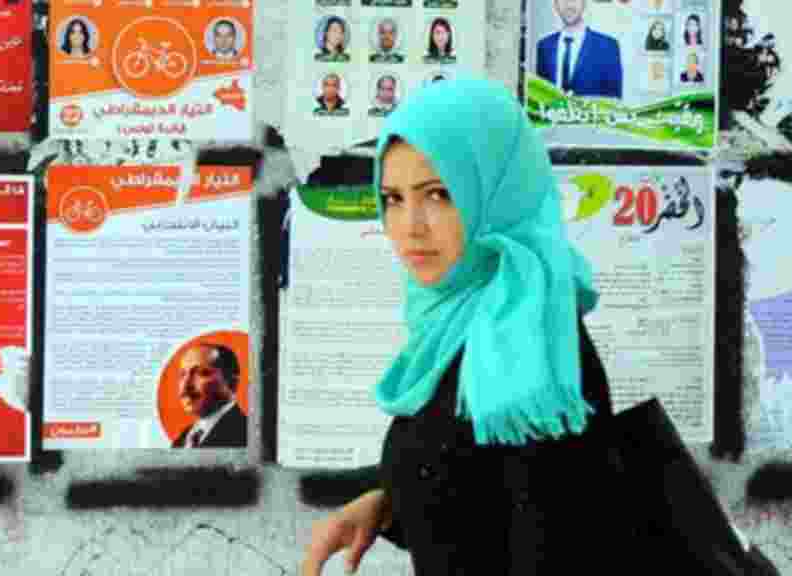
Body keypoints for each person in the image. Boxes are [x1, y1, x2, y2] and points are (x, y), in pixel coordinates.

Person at [301, 74, 618, 575]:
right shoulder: (462, 322)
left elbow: (555, 549)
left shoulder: (530, 349)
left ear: (497, 192)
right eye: (393, 198)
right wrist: (387, 505)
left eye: (439, 195)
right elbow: (473, 493)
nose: (410, 226)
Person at [536, 0, 623, 98]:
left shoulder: (608, 47)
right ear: (555, 4)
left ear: (584, 3)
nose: (569, 5)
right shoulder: (544, 46)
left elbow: (614, 103)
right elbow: (540, 97)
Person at [171, 343, 247, 448]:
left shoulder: (246, 434)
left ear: (232, 383)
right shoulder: (183, 439)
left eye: (202, 373)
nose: (186, 385)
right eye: (182, 374)